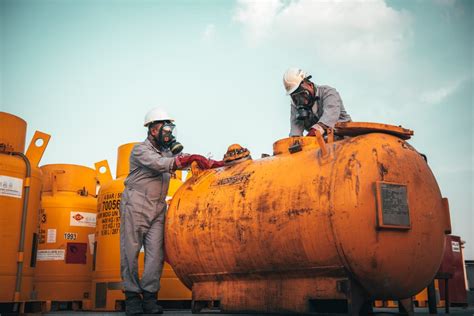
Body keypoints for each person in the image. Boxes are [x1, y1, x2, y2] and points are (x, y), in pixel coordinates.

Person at [120, 108, 222, 315]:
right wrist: (182, 160)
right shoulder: (140, 151)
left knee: (155, 255)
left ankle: (149, 298)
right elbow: (161, 165)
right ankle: (131, 297)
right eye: (164, 128)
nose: (168, 132)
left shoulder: (168, 151)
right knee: (130, 253)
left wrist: (212, 163)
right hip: (136, 205)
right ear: (152, 130)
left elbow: (183, 162)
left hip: (158, 208)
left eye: (170, 128)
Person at [283, 68, 352, 137]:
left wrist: (308, 139)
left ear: (308, 84)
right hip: (323, 142)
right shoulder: (296, 105)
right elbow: (295, 132)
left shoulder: (328, 93)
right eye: (296, 97)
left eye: (302, 94)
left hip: (346, 137)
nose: (302, 100)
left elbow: (327, 121)